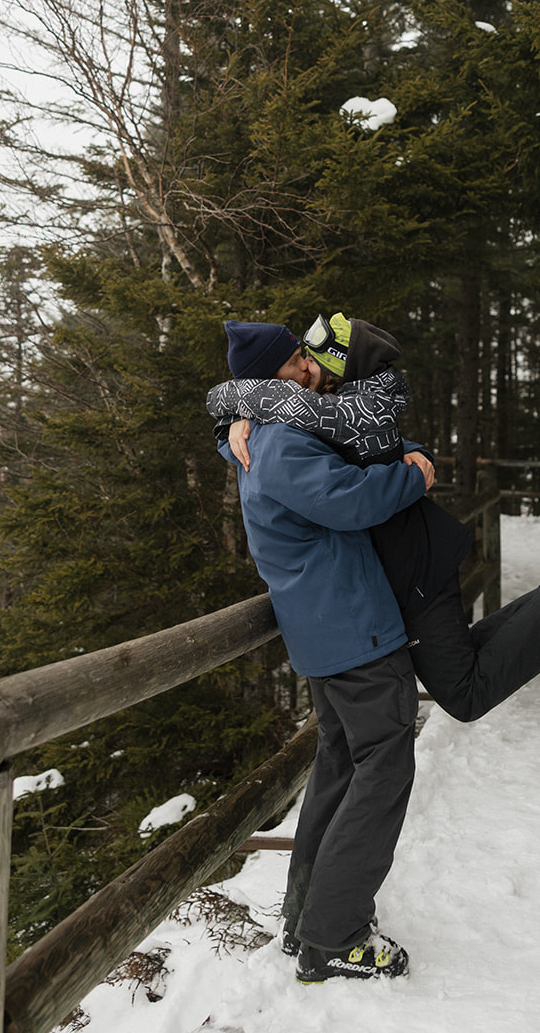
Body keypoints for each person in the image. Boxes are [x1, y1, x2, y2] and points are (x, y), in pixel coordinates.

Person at [208, 313, 540, 731]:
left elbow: (340, 458)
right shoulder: (331, 405)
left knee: (464, 693)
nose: (305, 368)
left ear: (342, 365)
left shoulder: (356, 405)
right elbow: (324, 433)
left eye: (311, 360)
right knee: (463, 661)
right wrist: (241, 415)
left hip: (415, 566)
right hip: (405, 566)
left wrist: (241, 406)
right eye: (300, 359)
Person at [213, 320, 431, 986]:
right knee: (382, 771)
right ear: (275, 375)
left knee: (342, 768)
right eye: (297, 359)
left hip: (326, 633)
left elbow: (361, 446)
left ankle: (308, 916)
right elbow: (351, 498)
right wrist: (415, 476)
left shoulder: (268, 432)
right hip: (353, 629)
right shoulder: (279, 442)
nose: (310, 364)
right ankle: (333, 938)